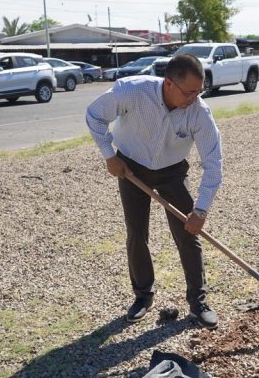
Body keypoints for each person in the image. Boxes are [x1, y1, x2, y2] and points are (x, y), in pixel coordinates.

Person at [85, 54, 224, 328]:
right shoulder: (132, 91)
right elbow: (94, 116)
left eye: (200, 91)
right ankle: (143, 296)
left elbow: (214, 163)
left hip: (172, 171)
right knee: (137, 233)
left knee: (189, 232)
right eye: (190, 92)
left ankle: (198, 302)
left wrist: (201, 210)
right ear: (169, 83)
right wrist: (109, 156)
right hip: (131, 167)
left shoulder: (199, 112)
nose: (194, 98)